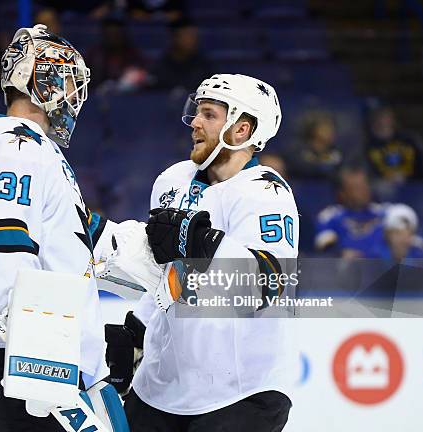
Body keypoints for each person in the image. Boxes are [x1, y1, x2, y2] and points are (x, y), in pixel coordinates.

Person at [0, 24, 120, 431]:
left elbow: (83, 239)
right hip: (16, 356)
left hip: (37, 354)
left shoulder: (37, 151)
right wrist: (37, 343)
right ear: (41, 83)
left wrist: (154, 248)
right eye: (67, 83)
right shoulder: (12, 142)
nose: (75, 97)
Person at [102, 74, 299, 431]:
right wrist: (137, 330)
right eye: (197, 112)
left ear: (242, 129)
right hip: (162, 388)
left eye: (209, 114)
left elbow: (269, 286)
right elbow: (166, 276)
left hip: (242, 393)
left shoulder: (266, 193)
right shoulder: (171, 180)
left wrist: (204, 243)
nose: (194, 122)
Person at [315, 166, 385, 258]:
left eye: (364, 186)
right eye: (356, 188)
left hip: (383, 267)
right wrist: (340, 253)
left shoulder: (384, 213)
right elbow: (325, 246)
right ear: (342, 193)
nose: (363, 191)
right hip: (343, 269)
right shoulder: (330, 217)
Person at [365, 106, 423, 181]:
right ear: (373, 122)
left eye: (387, 117)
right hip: (382, 188)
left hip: (414, 186)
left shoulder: (409, 140)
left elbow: (422, 162)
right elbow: (366, 172)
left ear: (393, 120)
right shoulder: (367, 146)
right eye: (380, 118)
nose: (384, 121)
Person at [150, 18, 209, 92]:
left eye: (194, 36)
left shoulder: (205, 65)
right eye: (187, 35)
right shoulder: (159, 66)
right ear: (174, 38)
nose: (193, 40)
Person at [285, 110, 343, 179]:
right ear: (313, 130)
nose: (330, 131)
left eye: (332, 128)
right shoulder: (299, 150)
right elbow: (299, 168)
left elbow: (337, 170)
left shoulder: (335, 151)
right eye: (325, 127)